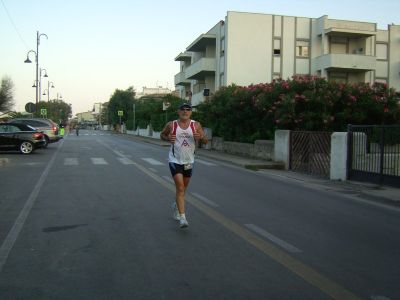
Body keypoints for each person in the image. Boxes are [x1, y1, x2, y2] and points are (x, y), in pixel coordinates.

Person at [160, 103, 208, 228]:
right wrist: (168, 138)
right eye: (183, 109)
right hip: (175, 160)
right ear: (178, 111)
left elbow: (206, 140)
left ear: (191, 112)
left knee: (183, 189)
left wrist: (201, 137)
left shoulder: (196, 125)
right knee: (180, 188)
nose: (185, 111)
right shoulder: (172, 124)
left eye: (188, 110)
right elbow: (162, 135)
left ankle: (176, 205)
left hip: (189, 161)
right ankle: (183, 218)